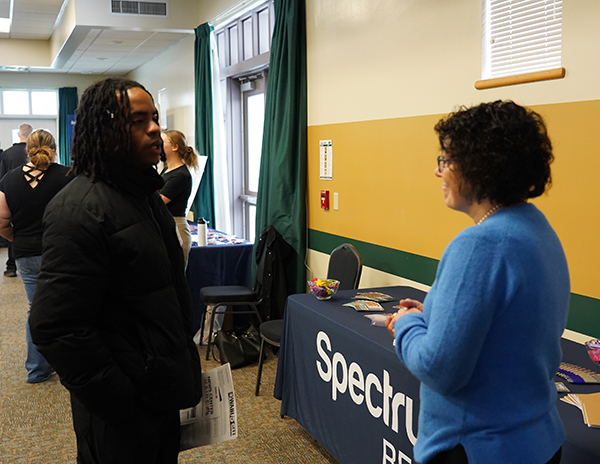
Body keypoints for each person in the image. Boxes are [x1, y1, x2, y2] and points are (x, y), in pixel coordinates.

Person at [29, 77, 202, 464]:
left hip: (157, 390)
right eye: (138, 120)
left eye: (154, 117)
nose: (155, 128)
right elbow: (55, 328)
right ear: (106, 131)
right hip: (121, 411)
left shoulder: (143, 195)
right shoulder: (79, 209)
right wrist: (124, 401)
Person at [386, 101, 569, 464]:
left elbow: (440, 370)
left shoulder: (480, 244)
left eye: (446, 160)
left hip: (478, 448)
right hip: (538, 441)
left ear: (479, 166)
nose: (438, 172)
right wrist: (435, 317)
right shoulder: (537, 229)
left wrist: (406, 325)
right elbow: (506, 332)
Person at [0, 129, 71, 383]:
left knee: (36, 309)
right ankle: (69, 367)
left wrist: (17, 240)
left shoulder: (8, 179)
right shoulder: (68, 176)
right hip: (61, 252)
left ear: (26, 151)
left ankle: (37, 369)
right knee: (66, 308)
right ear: (54, 149)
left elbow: (2, 222)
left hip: (25, 254)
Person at [159, 129, 198, 268]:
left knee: (174, 278)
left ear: (175, 147)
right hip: (167, 225)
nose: (158, 144)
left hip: (176, 228)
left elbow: (158, 201)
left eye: (162, 142)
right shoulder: (167, 171)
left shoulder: (180, 175)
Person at [0, 123, 33, 277]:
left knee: (14, 228)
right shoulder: (34, 152)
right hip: (33, 195)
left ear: (19, 134)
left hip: (12, 196)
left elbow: (2, 179)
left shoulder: (7, 154)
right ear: (30, 134)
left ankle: (11, 267)